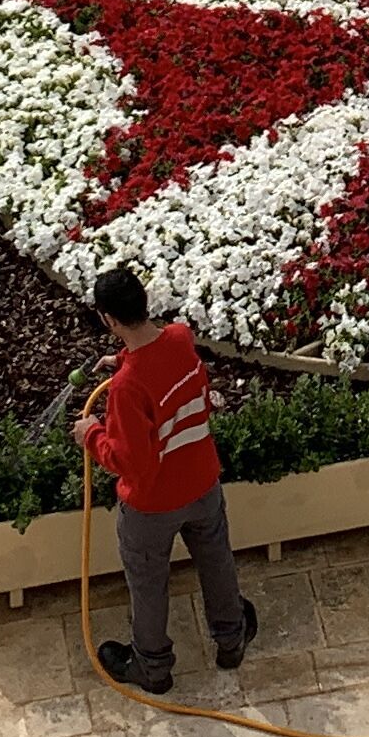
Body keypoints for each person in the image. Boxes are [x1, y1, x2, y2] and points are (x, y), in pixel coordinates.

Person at [81, 266, 254, 693]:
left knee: (148, 583)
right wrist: (123, 360)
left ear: (109, 319)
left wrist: (92, 435)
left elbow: (129, 462)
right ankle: (231, 639)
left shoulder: (126, 390)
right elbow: (160, 365)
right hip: (202, 484)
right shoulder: (180, 338)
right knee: (216, 560)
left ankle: (152, 668)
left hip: (152, 507)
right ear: (144, 302)